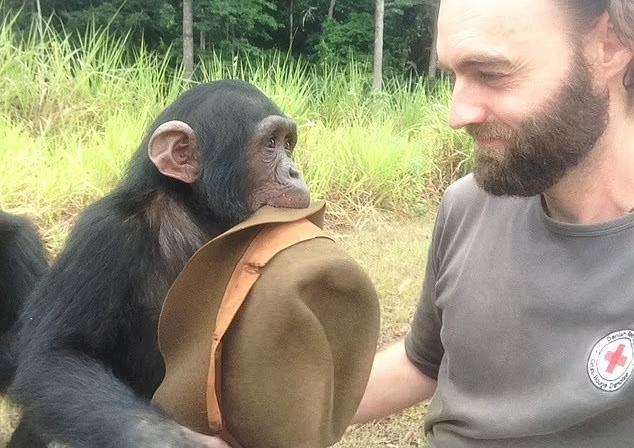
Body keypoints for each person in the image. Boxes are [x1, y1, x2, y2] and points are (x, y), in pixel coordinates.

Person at [352, 0, 634, 447]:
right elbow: (422, 362)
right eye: (455, 76)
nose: (456, 115)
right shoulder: (468, 205)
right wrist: (263, 420)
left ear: (610, 46)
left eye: (491, 74)